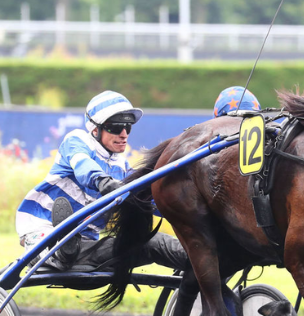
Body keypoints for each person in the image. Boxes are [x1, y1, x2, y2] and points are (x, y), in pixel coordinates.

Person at [15, 90, 188, 273]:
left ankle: (209, 260)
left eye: (128, 127)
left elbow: (151, 202)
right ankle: (59, 251)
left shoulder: (121, 168)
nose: (123, 134)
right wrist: (103, 182)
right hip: (42, 230)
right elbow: (84, 166)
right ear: (95, 129)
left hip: (86, 247)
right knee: (58, 246)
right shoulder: (77, 140)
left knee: (154, 243)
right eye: (116, 127)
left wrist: (183, 210)